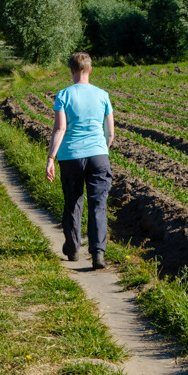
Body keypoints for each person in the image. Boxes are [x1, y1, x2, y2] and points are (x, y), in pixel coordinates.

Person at [45, 52, 115, 269]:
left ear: (71, 71)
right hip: (98, 155)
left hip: (71, 157)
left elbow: (60, 128)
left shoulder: (63, 95)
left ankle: (73, 248)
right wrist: (102, 149)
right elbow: (110, 132)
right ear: (90, 69)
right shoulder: (103, 95)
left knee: (73, 203)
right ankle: (98, 254)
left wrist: (50, 158)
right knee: (98, 204)